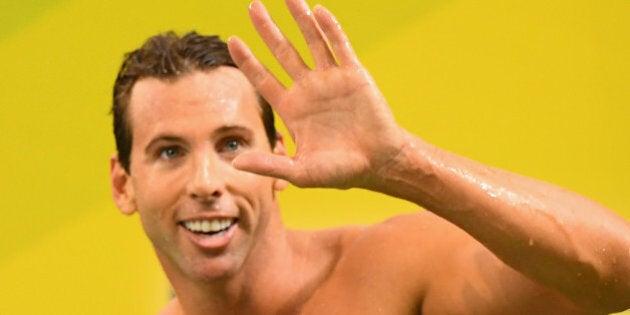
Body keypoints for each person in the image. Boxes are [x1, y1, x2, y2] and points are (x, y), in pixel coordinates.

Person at [109, 0, 630, 314]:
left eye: (232, 145)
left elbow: (618, 273)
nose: (206, 181)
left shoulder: (388, 273)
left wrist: (401, 161)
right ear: (123, 183)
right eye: (170, 152)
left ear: (278, 156)